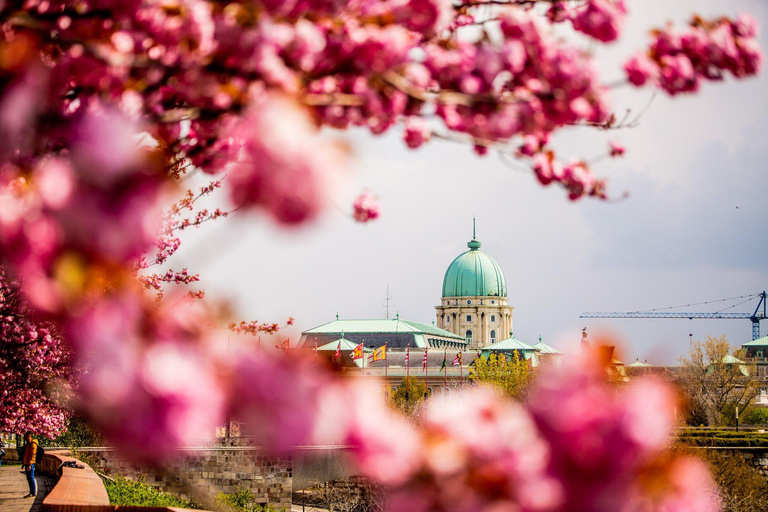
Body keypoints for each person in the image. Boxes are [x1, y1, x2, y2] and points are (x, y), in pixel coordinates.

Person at [21, 431, 38, 498]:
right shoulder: (28, 444)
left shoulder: (33, 444)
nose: (25, 438)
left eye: (26, 436)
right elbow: (26, 454)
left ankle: (33, 492)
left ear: (29, 436)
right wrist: (24, 463)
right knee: (29, 478)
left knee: (31, 477)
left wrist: (29, 464)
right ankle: (31, 491)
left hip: (30, 463)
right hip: (27, 463)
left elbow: (32, 455)